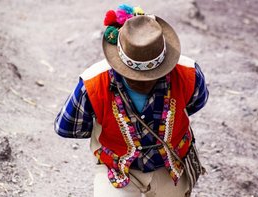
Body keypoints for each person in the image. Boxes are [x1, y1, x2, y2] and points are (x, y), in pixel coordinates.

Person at [55, 4, 209, 197]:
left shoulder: (189, 73)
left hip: (171, 165)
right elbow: (67, 126)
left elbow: (194, 103)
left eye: (151, 75)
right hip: (116, 167)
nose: (143, 83)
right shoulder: (93, 83)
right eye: (135, 77)